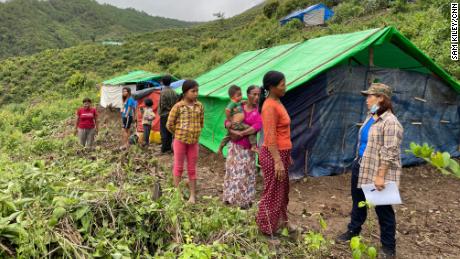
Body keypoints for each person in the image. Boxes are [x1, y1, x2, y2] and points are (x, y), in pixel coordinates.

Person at [337, 83, 403, 259]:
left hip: (377, 172)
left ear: (381, 98)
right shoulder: (371, 116)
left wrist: (380, 176)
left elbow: (390, 152)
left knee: (383, 210)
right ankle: (353, 231)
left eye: (370, 96)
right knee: (358, 203)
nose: (366, 100)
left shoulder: (391, 123)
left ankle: (389, 249)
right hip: (361, 166)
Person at [256, 71, 296, 236]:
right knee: (273, 193)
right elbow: (271, 137)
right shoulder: (270, 106)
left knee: (282, 191)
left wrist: (287, 156)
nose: (285, 87)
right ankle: (265, 229)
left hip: (281, 153)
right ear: (271, 87)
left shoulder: (277, 101)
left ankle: (282, 222)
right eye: (282, 85)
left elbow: (282, 133)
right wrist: (278, 161)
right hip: (274, 154)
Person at [223, 85, 262, 209]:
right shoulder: (239, 107)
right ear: (248, 94)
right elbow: (227, 121)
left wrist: (240, 133)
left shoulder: (258, 111)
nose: (256, 97)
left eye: (258, 95)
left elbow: (257, 126)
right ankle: (230, 198)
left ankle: (245, 201)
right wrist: (232, 130)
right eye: (254, 94)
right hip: (235, 147)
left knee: (246, 174)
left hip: (247, 149)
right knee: (232, 171)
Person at [167, 80, 204, 204]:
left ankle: (192, 196)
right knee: (178, 167)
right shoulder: (178, 106)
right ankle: (177, 195)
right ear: (185, 92)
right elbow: (169, 124)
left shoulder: (199, 106)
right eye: (193, 91)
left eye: (197, 91)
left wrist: (196, 132)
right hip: (180, 141)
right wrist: (178, 133)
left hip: (194, 142)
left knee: (192, 168)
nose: (196, 94)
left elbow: (201, 122)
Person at [218, 85, 257, 156]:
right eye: (239, 95)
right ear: (232, 97)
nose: (241, 96)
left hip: (238, 126)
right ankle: (254, 145)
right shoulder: (232, 103)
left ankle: (220, 148)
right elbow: (227, 110)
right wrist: (229, 120)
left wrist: (243, 101)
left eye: (241, 94)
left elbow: (257, 126)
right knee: (249, 128)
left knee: (228, 136)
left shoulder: (237, 103)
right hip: (237, 124)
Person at [159, 75, 178, 154]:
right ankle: (170, 148)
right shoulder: (174, 91)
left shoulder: (163, 91)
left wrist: (168, 109)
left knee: (163, 131)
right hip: (173, 114)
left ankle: (164, 149)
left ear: (162, 82)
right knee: (170, 131)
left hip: (165, 114)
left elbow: (163, 104)